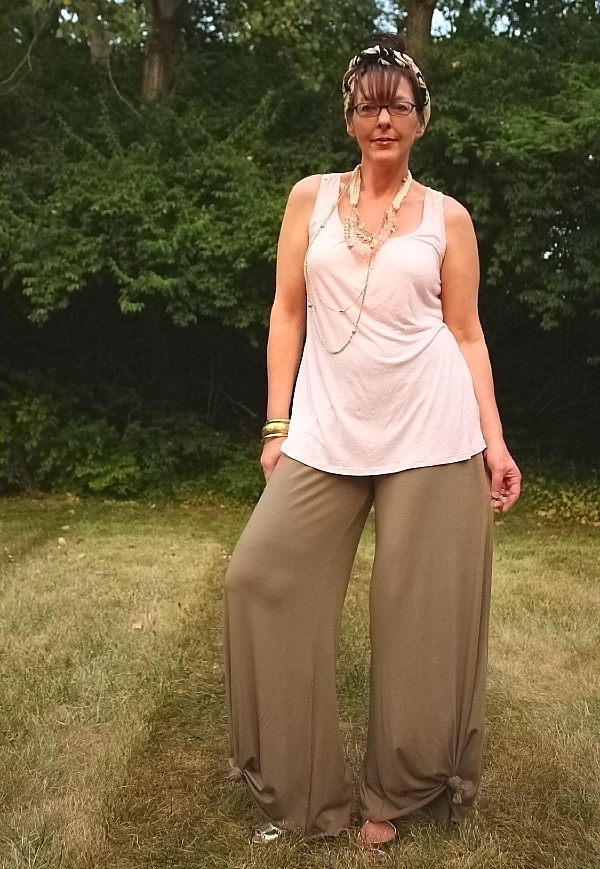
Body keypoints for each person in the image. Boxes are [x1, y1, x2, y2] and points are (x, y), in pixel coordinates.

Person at [223, 33, 521, 849]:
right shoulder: (311, 199)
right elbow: (288, 312)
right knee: (260, 575)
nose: (382, 118)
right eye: (367, 105)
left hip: (433, 430)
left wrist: (494, 442)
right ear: (350, 118)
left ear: (421, 117)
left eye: (397, 105)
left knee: (415, 613)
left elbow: (466, 333)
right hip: (327, 428)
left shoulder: (448, 218)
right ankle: (300, 788)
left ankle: (397, 790)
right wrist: (277, 423)